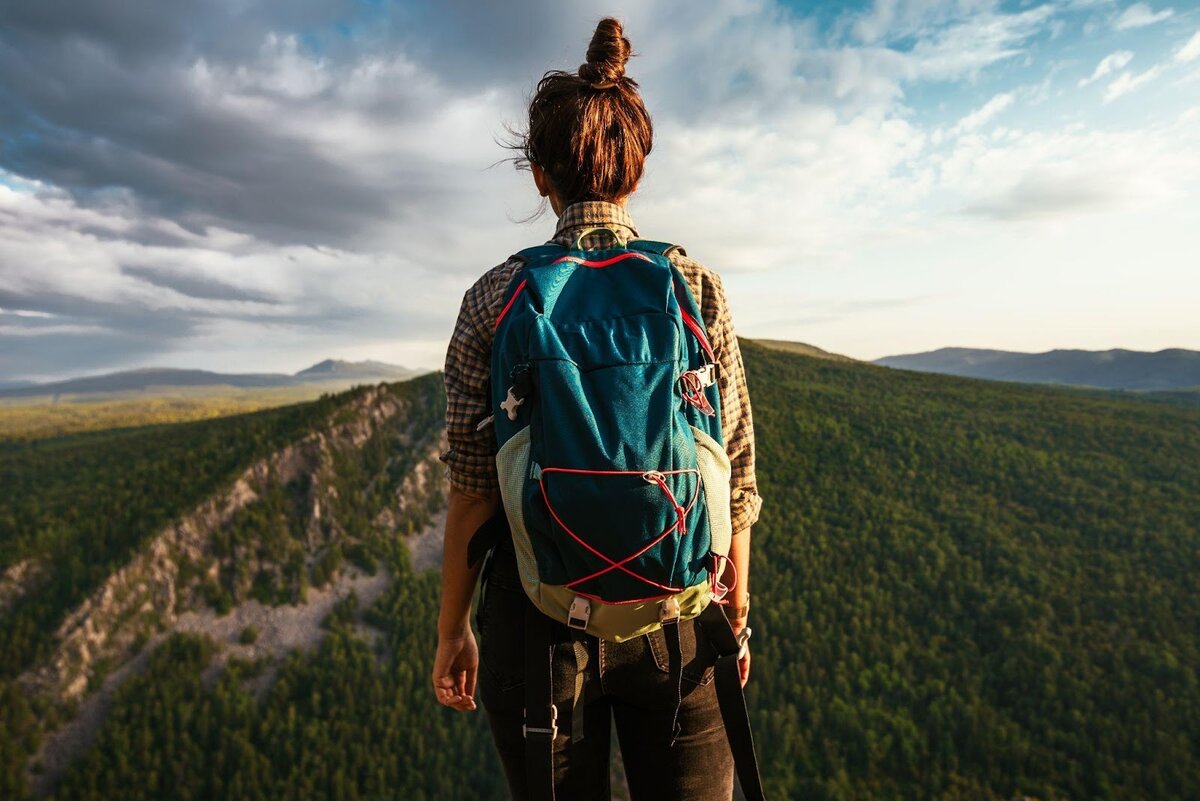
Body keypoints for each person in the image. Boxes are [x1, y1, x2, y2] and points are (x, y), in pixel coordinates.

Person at [433, 17, 762, 801]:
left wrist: (454, 627)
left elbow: (474, 489)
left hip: (537, 622)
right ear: (635, 173)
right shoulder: (696, 287)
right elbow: (735, 467)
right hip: (679, 617)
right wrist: (735, 613)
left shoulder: (494, 298)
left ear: (540, 177)